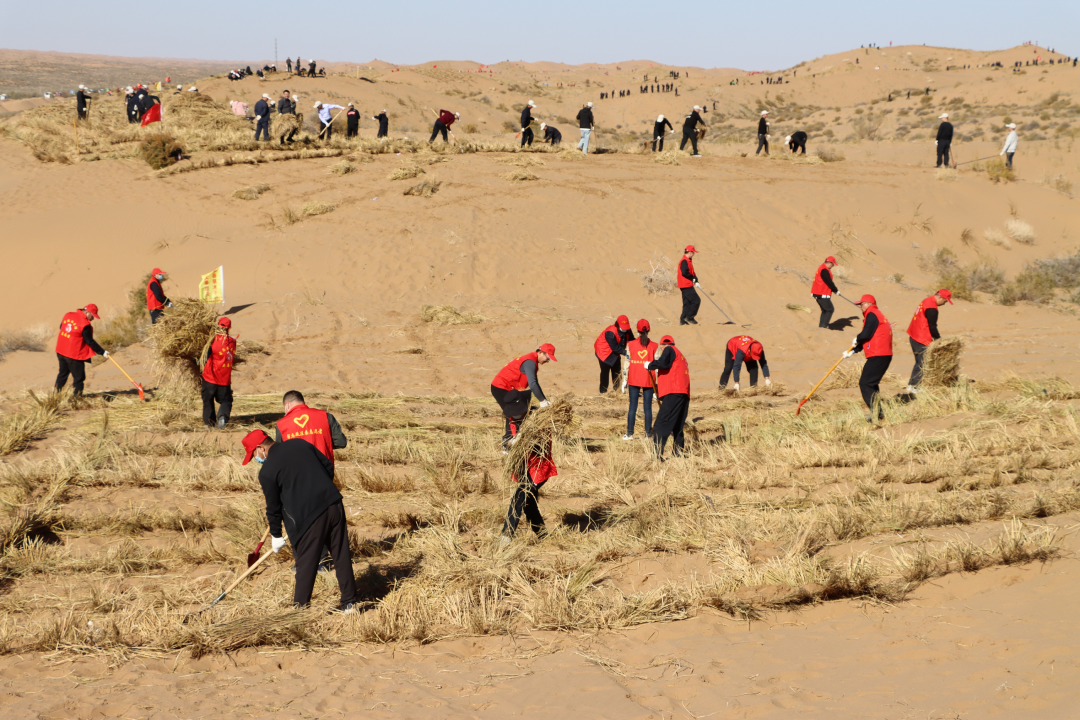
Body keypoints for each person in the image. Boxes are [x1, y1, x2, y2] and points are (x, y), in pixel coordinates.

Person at [241, 429, 357, 613]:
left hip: (309, 516)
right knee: (341, 555)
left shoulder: (267, 472)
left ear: (261, 448)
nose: (256, 458)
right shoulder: (299, 444)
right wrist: (320, 488)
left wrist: (276, 535)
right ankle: (349, 603)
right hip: (334, 504)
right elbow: (327, 465)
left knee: (306, 564)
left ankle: (299, 611)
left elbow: (273, 508)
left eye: (254, 454)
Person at [490, 344, 556, 448]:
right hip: (501, 388)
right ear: (540, 353)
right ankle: (507, 445)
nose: (548, 361)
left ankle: (513, 442)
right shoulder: (530, 362)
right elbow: (532, 384)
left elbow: (535, 384)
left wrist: (544, 400)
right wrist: (542, 401)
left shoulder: (532, 361)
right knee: (515, 413)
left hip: (508, 389)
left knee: (519, 413)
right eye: (548, 358)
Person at [274, 390, 348, 476]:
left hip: (297, 474)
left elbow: (279, 454)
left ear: (287, 405)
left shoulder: (281, 425)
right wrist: (322, 442)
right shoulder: (326, 416)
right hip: (324, 472)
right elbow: (341, 442)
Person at [843, 294, 893, 421]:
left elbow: (866, 334)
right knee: (872, 384)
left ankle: (876, 414)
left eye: (862, 304)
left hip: (879, 354)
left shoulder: (872, 314)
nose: (860, 307)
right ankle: (878, 413)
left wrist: (857, 338)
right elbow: (870, 336)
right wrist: (853, 351)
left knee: (865, 383)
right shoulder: (875, 314)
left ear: (869, 304)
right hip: (882, 354)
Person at [645, 336, 690, 461]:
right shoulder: (680, 356)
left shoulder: (669, 349)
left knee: (661, 424)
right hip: (683, 394)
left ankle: (656, 456)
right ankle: (678, 454)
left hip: (674, 392)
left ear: (662, 345)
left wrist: (650, 365)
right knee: (677, 425)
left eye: (661, 346)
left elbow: (663, 363)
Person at [55, 304, 108, 396]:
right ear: (87, 312)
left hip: (61, 350)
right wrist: (102, 352)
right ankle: (77, 398)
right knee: (79, 378)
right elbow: (90, 341)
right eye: (92, 316)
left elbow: (61, 327)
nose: (93, 319)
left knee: (62, 374)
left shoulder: (68, 315)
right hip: (73, 354)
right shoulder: (85, 324)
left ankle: (55, 396)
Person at [905, 289, 952, 392]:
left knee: (919, 362)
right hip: (921, 337)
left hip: (914, 334)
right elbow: (932, 326)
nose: (944, 304)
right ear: (940, 297)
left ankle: (911, 385)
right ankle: (914, 387)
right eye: (945, 301)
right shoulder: (932, 308)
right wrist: (938, 339)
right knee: (922, 363)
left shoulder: (927, 300)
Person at [624, 319, 658, 440]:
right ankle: (648, 434)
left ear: (637, 331)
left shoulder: (630, 344)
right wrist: (657, 385)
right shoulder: (655, 346)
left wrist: (624, 379)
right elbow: (657, 366)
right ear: (648, 330)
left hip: (634, 378)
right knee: (647, 408)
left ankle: (629, 433)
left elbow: (627, 362)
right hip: (649, 379)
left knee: (632, 407)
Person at [200, 317, 236, 428]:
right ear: (229, 328)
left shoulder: (211, 340)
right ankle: (222, 416)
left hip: (210, 377)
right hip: (225, 380)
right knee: (226, 400)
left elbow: (204, 355)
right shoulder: (233, 341)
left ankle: (209, 423)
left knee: (208, 400)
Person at [594, 315, 633, 394]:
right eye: (623, 328)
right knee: (605, 372)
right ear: (617, 325)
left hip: (616, 352)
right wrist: (627, 353)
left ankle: (617, 390)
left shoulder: (627, 330)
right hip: (604, 352)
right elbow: (615, 348)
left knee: (617, 371)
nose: (624, 330)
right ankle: (603, 391)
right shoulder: (610, 333)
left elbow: (632, 340)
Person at [811, 256, 840, 329]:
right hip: (821, 293)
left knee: (825, 310)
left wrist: (834, 290)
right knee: (830, 309)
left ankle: (822, 326)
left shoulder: (823, 268)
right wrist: (835, 290)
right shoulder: (824, 270)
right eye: (833, 264)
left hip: (819, 293)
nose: (832, 266)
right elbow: (828, 281)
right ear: (829, 263)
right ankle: (824, 326)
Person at [677, 245, 701, 325]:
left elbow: (691, 272)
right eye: (693, 252)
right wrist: (692, 278)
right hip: (686, 284)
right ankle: (690, 317)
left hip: (686, 284)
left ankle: (683, 320)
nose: (693, 254)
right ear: (690, 252)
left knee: (687, 303)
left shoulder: (688, 260)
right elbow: (684, 272)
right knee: (696, 300)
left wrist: (696, 280)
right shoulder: (684, 261)